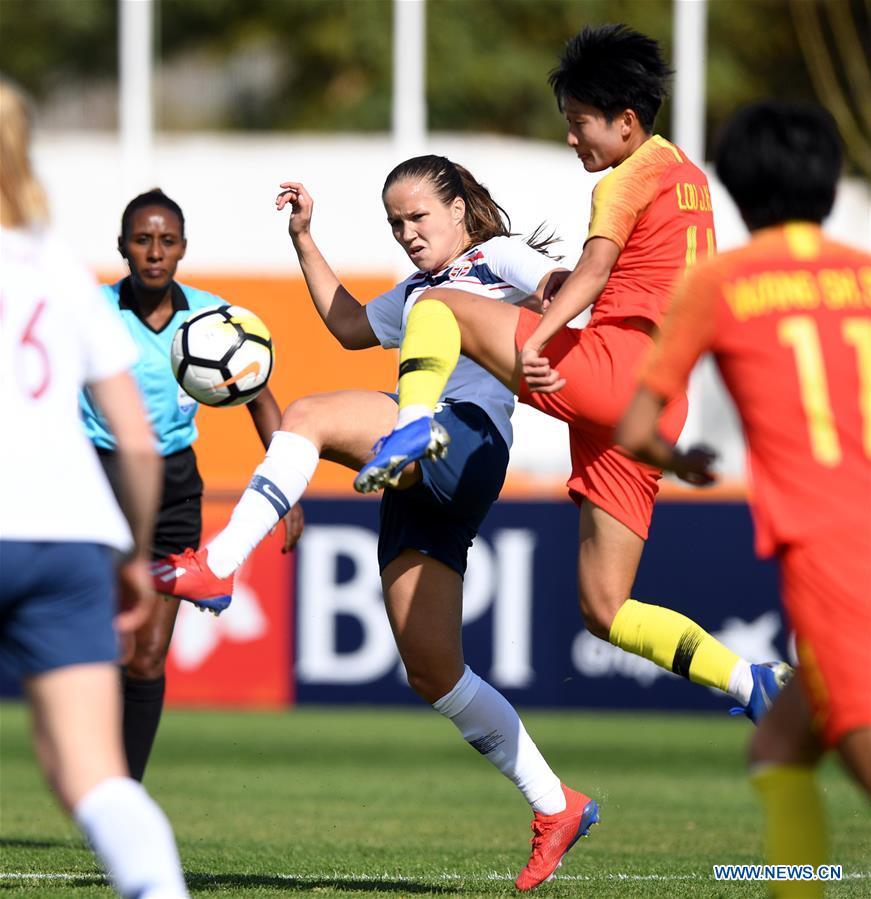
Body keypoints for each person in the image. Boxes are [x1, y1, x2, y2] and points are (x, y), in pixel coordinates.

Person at [150, 154, 600, 890]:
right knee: (433, 671)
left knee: (307, 415)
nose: (407, 233)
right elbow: (350, 325)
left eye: (419, 216)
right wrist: (304, 238)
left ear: (459, 209)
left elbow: (565, 290)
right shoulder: (419, 289)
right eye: (395, 223)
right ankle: (557, 805)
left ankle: (222, 561)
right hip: (416, 475)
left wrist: (557, 327)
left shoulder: (495, 259)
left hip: (463, 438)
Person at [357, 24, 787, 735]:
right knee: (606, 607)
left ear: (625, 121)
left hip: (612, 369)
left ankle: (411, 426)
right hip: (653, 406)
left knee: (437, 304)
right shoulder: (690, 178)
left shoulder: (630, 175)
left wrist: (546, 336)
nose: (570, 138)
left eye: (578, 123)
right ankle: (748, 678)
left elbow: (590, 271)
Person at [617, 100, 870, 899]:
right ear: (828, 185)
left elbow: (635, 423)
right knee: (778, 751)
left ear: (733, 187)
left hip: (830, 539)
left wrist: (677, 458)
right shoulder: (864, 273)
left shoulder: (720, 282)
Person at [0, 78, 189, 899]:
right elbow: (139, 444)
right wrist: (128, 551)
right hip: (72, 534)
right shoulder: (60, 270)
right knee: (94, 774)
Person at [79, 188, 301, 782]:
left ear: (182, 248)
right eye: (142, 240)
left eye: (166, 240)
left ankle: (122, 794)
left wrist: (288, 490)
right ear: (122, 247)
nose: (154, 252)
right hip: (98, 479)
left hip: (175, 485)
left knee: (148, 655)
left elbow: (261, 400)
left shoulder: (211, 319)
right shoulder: (89, 310)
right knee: (94, 644)